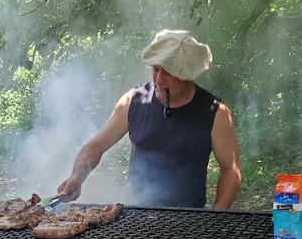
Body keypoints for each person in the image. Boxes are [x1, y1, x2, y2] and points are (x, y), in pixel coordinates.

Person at [57, 29, 241, 209]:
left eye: (168, 72)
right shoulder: (133, 100)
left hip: (189, 219)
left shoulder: (216, 112)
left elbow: (230, 170)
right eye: (155, 69)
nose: (159, 80)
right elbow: (95, 147)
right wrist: (77, 177)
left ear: (186, 74)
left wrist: (217, 214)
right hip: (136, 215)